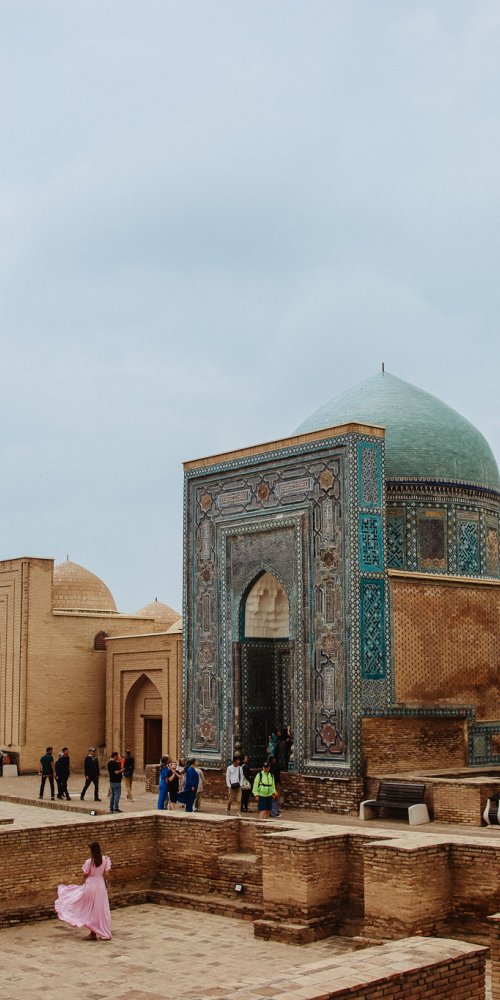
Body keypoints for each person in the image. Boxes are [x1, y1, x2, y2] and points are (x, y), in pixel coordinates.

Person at [55, 840, 112, 940]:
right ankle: (101, 932)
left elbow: (85, 874)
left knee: (88, 908)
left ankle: (93, 933)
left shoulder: (89, 862)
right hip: (100, 886)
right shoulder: (106, 860)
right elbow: (106, 875)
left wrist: (82, 881)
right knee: (100, 909)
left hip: (91, 885)